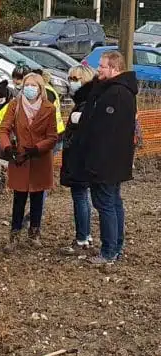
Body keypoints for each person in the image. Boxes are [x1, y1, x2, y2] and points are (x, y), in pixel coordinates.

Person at [76, 50, 138, 264]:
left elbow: (105, 132)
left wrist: (94, 161)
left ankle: (109, 251)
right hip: (113, 161)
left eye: (102, 67)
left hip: (105, 162)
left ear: (115, 68)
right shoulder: (114, 90)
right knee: (113, 203)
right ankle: (116, 246)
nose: (98, 70)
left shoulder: (116, 95)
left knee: (106, 205)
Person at [0, 72, 58, 253]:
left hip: (39, 158)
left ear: (40, 89)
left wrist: (38, 148)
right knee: (19, 198)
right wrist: (8, 148)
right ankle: (14, 234)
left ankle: (34, 233)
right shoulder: (15, 105)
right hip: (20, 158)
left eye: (34, 85)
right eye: (27, 85)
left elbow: (52, 137)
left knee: (38, 198)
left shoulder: (49, 108)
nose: (29, 88)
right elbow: (3, 129)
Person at [59, 64, 97, 256]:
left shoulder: (86, 103)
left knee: (80, 197)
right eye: (70, 78)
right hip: (80, 158)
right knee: (83, 198)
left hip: (79, 159)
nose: (71, 82)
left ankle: (82, 237)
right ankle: (85, 235)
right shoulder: (86, 100)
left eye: (75, 79)